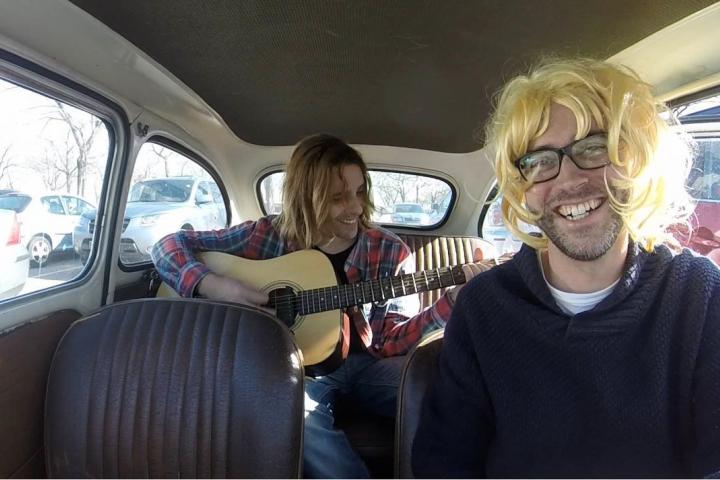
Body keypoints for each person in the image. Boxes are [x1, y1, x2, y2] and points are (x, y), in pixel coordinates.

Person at [412, 58, 720, 477]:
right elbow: (444, 466)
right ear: (521, 188)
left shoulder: (700, 296)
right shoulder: (483, 308)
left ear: (636, 158)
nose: (570, 179)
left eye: (594, 147)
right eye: (539, 161)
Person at [151, 133, 484, 478]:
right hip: (295, 369)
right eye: (338, 197)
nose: (356, 208)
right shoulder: (265, 236)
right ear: (305, 198)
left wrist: (453, 301)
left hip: (370, 365)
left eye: (359, 192)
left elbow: (391, 341)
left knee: (444, 389)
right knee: (294, 416)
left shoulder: (389, 250)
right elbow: (167, 246)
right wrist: (215, 285)